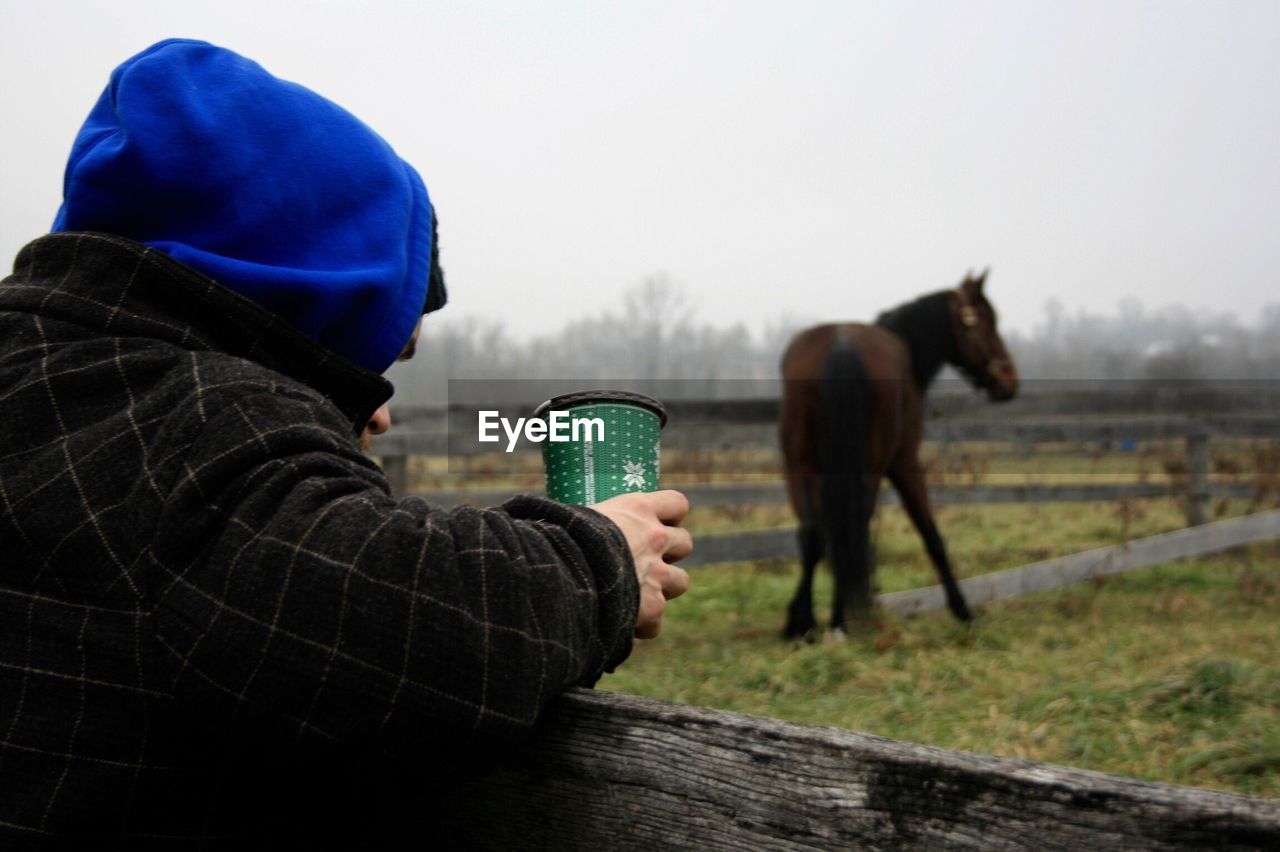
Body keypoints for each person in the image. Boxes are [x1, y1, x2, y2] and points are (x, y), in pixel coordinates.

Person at [0, 38, 691, 847]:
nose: (383, 414)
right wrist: (602, 560)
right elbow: (404, 620)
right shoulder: (195, 427)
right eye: (374, 355)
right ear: (302, 303)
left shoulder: (55, 380)